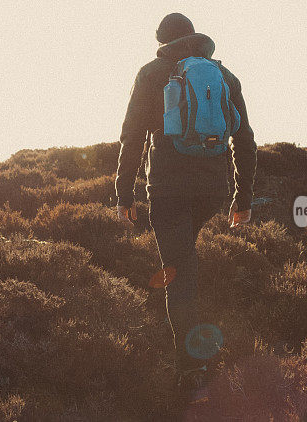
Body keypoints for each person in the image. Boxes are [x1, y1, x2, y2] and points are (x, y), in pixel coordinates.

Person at [114, 13, 257, 400]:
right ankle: (194, 341)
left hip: (168, 190)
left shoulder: (152, 72)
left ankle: (194, 373)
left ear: (162, 40)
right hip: (212, 191)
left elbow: (132, 136)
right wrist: (242, 199)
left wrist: (123, 194)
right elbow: (245, 141)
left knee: (179, 275)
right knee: (185, 260)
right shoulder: (224, 76)